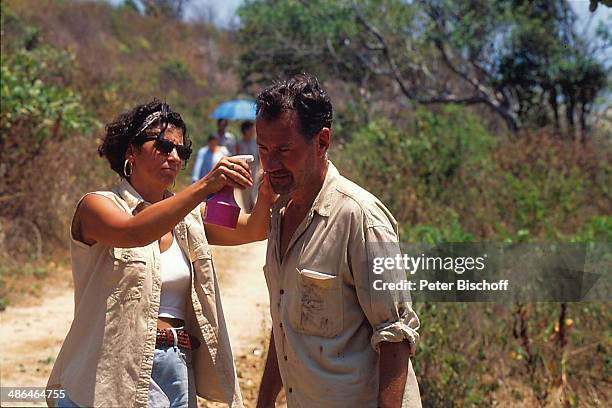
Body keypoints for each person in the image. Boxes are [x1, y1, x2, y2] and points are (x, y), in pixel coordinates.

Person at [46, 100, 275, 408]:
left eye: (182, 151)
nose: (174, 157)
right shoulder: (97, 206)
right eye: (164, 146)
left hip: (176, 368)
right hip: (112, 373)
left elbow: (253, 230)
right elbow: (133, 233)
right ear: (131, 151)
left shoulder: (190, 217)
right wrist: (206, 184)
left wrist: (267, 190)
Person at [255, 74, 421, 408]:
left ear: (322, 141)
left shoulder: (361, 218)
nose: (270, 164)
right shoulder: (280, 213)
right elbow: (283, 322)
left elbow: (395, 334)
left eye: (284, 150)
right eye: (263, 148)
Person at [236, 121, 259, 211]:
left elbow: (259, 157)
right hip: (243, 172)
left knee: (254, 195)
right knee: (245, 197)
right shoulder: (239, 144)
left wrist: (261, 170)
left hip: (254, 172)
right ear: (246, 131)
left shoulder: (256, 143)